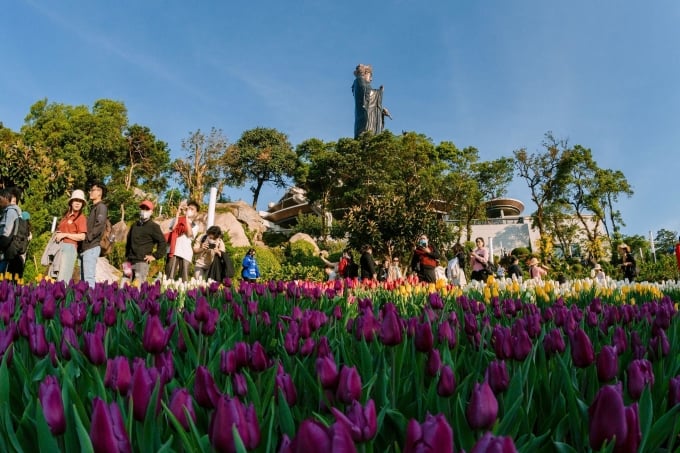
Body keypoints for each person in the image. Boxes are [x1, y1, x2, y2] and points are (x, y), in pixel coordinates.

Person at [124, 200, 166, 284]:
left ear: (151, 212)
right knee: (123, 286)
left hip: (142, 262)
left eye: (147, 209)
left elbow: (162, 242)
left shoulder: (154, 227)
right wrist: (126, 256)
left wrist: (155, 256)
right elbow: (128, 241)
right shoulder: (134, 225)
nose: (144, 211)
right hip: (128, 262)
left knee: (137, 288)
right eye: (142, 208)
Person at [54, 190, 88, 282]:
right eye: (75, 200)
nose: (77, 203)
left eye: (80, 201)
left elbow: (82, 236)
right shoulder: (66, 216)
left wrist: (65, 235)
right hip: (59, 247)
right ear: (71, 202)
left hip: (70, 248)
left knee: (63, 277)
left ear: (82, 204)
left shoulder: (81, 218)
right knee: (56, 275)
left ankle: (63, 295)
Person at [80, 182, 108, 288]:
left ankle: (90, 302)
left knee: (88, 278)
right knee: (84, 279)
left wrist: (88, 237)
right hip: (86, 247)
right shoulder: (94, 207)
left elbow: (99, 225)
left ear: (99, 192)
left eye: (93, 190)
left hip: (92, 246)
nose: (90, 192)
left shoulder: (101, 207)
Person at [352, 64, 391, 138]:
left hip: (371, 124)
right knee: (365, 136)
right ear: (364, 74)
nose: (371, 79)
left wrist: (381, 113)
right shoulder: (358, 83)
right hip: (364, 123)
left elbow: (370, 99)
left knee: (374, 137)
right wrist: (379, 92)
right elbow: (365, 94)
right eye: (370, 76)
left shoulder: (366, 87)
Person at [166, 200, 200, 281]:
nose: (189, 210)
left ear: (196, 213)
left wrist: (187, 218)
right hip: (173, 251)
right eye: (189, 208)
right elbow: (173, 228)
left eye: (192, 209)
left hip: (186, 253)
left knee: (184, 279)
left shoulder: (195, 226)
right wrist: (178, 214)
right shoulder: (177, 219)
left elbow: (189, 234)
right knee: (169, 277)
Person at [0, 188, 23, 277]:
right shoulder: (7, 211)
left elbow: (7, 232)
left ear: (6, 198)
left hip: (5, 248)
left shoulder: (11, 211)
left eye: (1, 199)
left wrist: (1, 245)